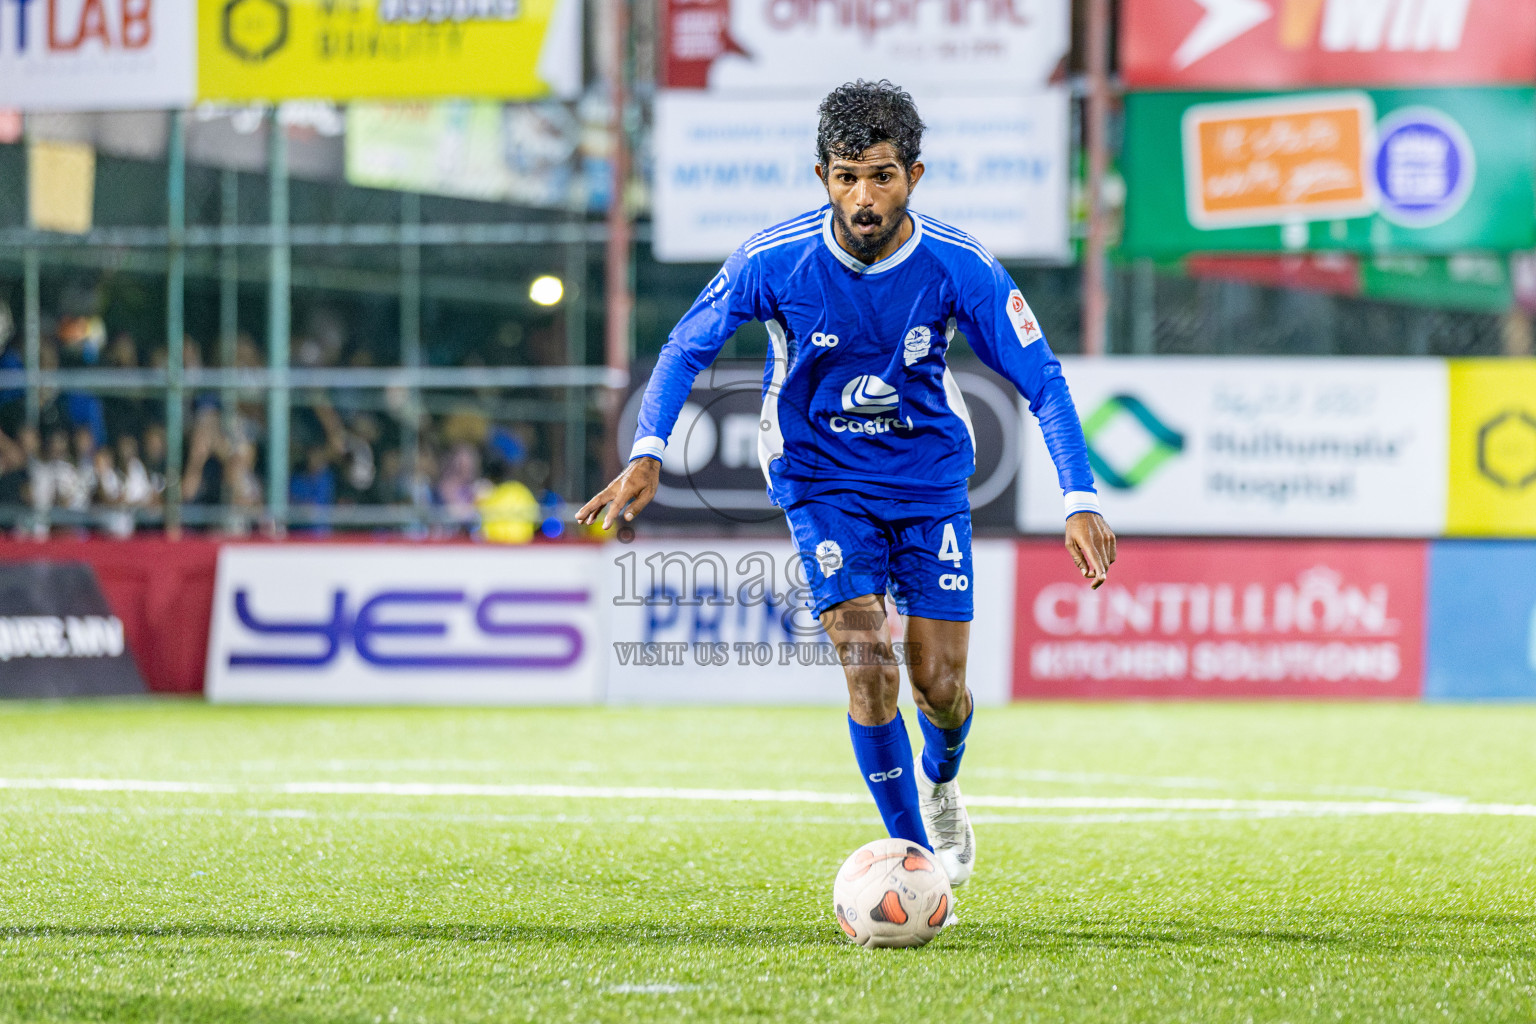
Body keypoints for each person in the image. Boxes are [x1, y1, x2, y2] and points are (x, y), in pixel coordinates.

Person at [576, 80, 1117, 893]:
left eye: (883, 177)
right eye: (846, 177)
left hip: (930, 477)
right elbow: (685, 347)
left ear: (916, 175)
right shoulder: (773, 258)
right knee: (867, 659)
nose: (863, 198)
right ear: (822, 174)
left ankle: (941, 782)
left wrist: (1081, 497)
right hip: (819, 474)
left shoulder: (958, 266)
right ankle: (918, 864)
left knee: (940, 687)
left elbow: (1041, 379)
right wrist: (649, 448)